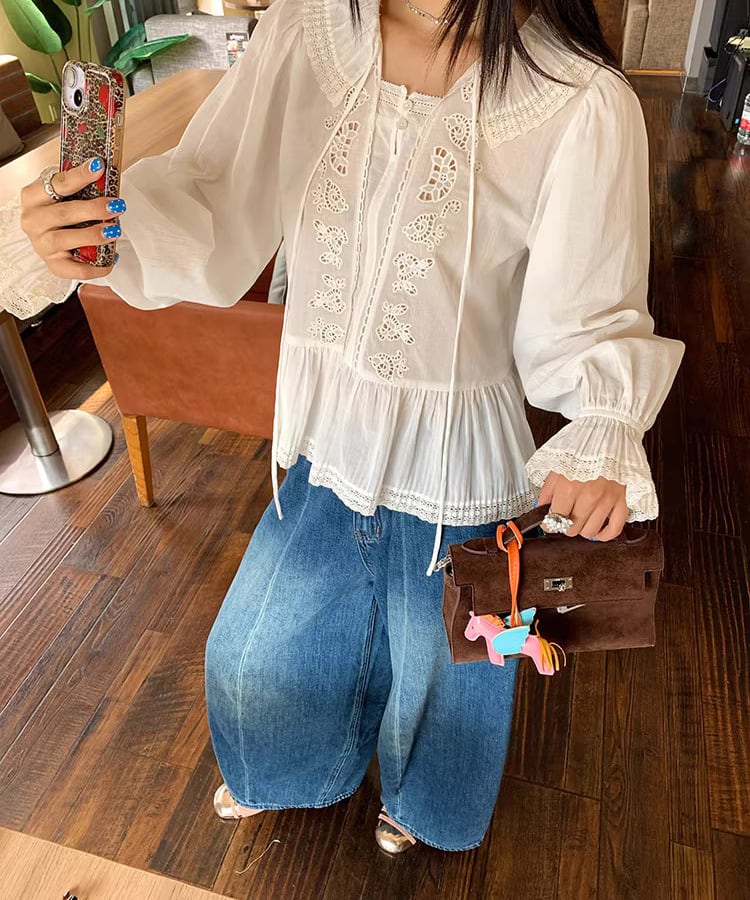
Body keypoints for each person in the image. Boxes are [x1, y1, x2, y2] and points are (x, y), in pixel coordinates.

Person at [20, 0, 683, 855]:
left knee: (451, 673)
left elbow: (587, 313)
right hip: (324, 439)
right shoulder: (309, 32)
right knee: (259, 654)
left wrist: (603, 423)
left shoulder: (577, 97)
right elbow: (215, 197)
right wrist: (104, 230)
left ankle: (423, 805)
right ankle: (289, 768)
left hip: (458, 466)